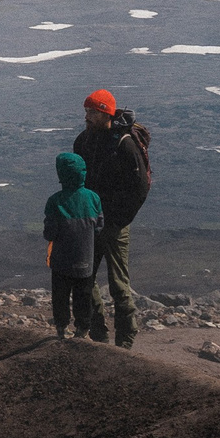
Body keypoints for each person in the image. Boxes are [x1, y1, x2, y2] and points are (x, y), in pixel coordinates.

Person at [72, 89, 151, 348]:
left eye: (92, 112)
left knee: (118, 284)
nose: (87, 116)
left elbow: (140, 187)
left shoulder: (124, 144)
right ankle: (99, 336)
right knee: (84, 278)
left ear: (105, 113)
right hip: (91, 222)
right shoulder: (83, 141)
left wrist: (119, 220)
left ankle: (125, 342)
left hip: (115, 225)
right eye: (86, 111)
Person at [42, 151, 105, 339]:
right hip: (85, 259)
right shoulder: (93, 198)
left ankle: (62, 328)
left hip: (61, 261)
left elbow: (49, 233)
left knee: (60, 296)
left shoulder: (55, 201)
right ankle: (82, 329)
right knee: (83, 296)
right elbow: (99, 227)